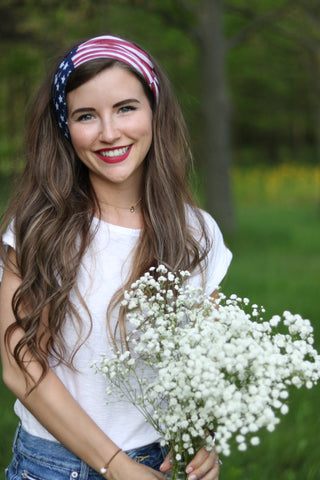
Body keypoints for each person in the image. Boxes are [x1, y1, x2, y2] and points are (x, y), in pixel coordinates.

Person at [0, 35, 232, 480]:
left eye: (126, 108)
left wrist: (206, 434)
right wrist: (116, 467)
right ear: (67, 128)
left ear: (154, 111)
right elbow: (19, 367)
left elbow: (208, 356)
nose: (109, 133)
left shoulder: (194, 231)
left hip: (162, 461)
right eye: (87, 116)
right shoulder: (44, 227)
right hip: (55, 466)